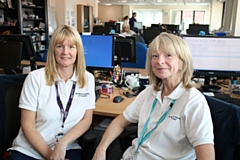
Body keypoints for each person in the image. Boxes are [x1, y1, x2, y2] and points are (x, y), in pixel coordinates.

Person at [92, 32, 215, 160]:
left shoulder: (193, 101)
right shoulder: (150, 92)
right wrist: (101, 149)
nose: (160, 61)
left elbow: (207, 155)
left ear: (182, 63)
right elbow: (119, 122)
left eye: (168, 55)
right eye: (155, 56)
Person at [9, 25, 95, 160]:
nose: (65, 52)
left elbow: (86, 120)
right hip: (30, 150)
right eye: (60, 46)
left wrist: (63, 143)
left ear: (78, 50)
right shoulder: (35, 78)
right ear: (52, 50)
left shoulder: (87, 79)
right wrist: (51, 156)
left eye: (71, 46)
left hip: (67, 147)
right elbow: (28, 126)